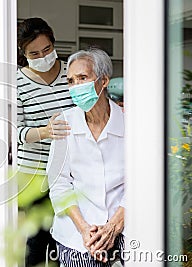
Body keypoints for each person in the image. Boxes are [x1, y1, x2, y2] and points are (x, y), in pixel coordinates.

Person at [47, 48, 125, 266]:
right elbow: (59, 184)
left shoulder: (130, 122)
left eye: (83, 78)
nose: (76, 86)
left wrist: (114, 226)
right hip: (76, 233)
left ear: (104, 81)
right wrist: (84, 230)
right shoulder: (64, 123)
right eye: (71, 81)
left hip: (124, 225)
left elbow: (141, 181)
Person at [16, 17, 74, 267]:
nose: (43, 56)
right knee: (39, 239)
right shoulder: (17, 82)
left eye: (47, 49)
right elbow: (14, 131)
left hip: (72, 170)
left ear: (54, 42)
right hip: (34, 173)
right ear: (24, 53)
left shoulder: (71, 71)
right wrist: (45, 131)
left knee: (71, 235)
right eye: (35, 53)